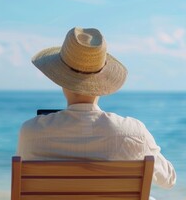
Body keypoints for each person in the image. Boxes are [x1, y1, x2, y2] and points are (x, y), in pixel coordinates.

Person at [17, 27, 176, 189]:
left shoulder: (31, 132)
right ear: (101, 81)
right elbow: (169, 179)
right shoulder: (134, 133)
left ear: (61, 79)